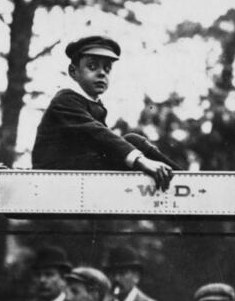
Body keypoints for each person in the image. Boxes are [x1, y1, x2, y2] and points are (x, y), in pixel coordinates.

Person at [31, 35, 175, 190]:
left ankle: (180, 177)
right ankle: (183, 181)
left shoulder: (94, 104)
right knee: (133, 142)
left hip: (79, 174)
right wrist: (141, 160)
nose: (102, 73)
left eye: (107, 68)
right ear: (73, 71)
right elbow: (97, 133)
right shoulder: (65, 100)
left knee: (134, 140)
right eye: (92, 66)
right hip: (55, 180)